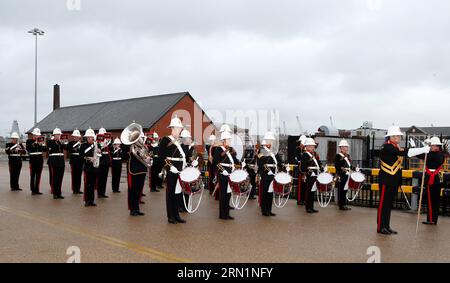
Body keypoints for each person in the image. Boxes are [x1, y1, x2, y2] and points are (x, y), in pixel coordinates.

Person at [377, 126, 429, 235]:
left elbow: (403, 153)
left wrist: (417, 149)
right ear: (389, 137)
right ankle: (380, 227)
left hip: (393, 181)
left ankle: (386, 226)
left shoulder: (395, 147)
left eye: (398, 136)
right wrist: (421, 149)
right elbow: (404, 152)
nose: (397, 137)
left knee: (389, 204)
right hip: (386, 180)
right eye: (395, 136)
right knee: (384, 204)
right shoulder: (387, 147)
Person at [159, 116, 187, 224]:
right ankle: (170, 216)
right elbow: (162, 157)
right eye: (179, 128)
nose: (181, 130)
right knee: (170, 193)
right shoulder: (165, 140)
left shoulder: (180, 141)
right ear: (174, 128)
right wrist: (170, 167)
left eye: (180, 128)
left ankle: (176, 215)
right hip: (171, 171)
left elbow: (184, 156)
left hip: (180, 171)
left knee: (178, 193)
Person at [213, 130, 242, 220]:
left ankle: (227, 213)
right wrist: (222, 170)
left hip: (230, 174)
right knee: (223, 195)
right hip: (223, 175)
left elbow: (234, 160)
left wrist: (241, 163)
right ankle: (222, 214)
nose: (229, 141)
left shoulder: (229, 150)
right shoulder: (219, 149)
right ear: (223, 140)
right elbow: (215, 162)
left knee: (228, 194)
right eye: (228, 139)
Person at [416, 137, 445, 225]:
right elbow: (421, 155)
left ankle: (431, 219)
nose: (430, 147)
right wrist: (419, 149)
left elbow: (423, 156)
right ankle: (432, 219)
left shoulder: (435, 154)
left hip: (433, 178)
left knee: (432, 200)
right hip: (434, 178)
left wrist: (422, 150)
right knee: (433, 200)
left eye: (431, 145)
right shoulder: (436, 153)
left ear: (435, 146)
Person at [257, 132, 286, 217]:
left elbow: (279, 162)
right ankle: (264, 210)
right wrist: (268, 170)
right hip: (266, 175)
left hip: (273, 175)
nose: (271, 142)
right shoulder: (261, 150)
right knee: (265, 193)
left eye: (272, 141)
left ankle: (269, 210)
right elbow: (260, 163)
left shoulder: (273, 151)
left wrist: (284, 166)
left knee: (270, 193)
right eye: (270, 140)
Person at [179, 129, 199, 212]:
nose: (190, 139)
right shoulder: (181, 147)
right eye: (188, 138)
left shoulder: (188, 147)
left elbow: (189, 157)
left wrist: (193, 162)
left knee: (186, 188)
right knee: (181, 189)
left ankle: (185, 206)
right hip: (181, 170)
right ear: (184, 138)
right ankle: (180, 206)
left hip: (186, 169)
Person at [300, 137, 322, 213]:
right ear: (307, 146)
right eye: (311, 146)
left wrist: (322, 169)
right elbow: (303, 167)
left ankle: (311, 207)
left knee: (312, 192)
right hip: (309, 176)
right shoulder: (305, 155)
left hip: (315, 175)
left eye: (313, 146)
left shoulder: (315, 155)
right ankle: (308, 208)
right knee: (309, 192)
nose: (313, 147)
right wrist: (310, 172)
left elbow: (319, 164)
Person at [80, 129, 100, 207]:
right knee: (87, 185)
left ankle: (92, 200)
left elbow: (98, 154)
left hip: (94, 167)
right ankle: (87, 200)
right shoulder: (83, 145)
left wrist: (99, 151)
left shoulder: (96, 145)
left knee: (93, 185)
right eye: (90, 137)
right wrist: (89, 159)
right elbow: (81, 156)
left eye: (92, 137)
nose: (92, 139)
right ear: (87, 138)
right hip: (87, 167)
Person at [46, 128, 67, 199]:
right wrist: (58, 141)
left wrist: (63, 142)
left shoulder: (61, 142)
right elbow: (52, 146)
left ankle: (59, 193)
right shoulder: (50, 141)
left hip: (61, 161)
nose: (58, 136)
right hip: (54, 161)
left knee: (60, 178)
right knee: (55, 178)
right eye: (57, 135)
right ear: (54, 135)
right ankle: (55, 193)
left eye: (59, 134)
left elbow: (66, 148)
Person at [334, 139, 354, 211]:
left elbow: (349, 166)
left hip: (347, 175)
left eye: (346, 147)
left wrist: (354, 168)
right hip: (341, 175)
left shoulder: (347, 156)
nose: (346, 148)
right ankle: (341, 205)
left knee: (345, 190)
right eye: (344, 147)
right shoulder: (338, 156)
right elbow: (337, 166)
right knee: (341, 190)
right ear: (341, 148)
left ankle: (344, 204)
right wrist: (344, 170)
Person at [26, 128, 46, 195]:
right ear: (33, 134)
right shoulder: (29, 141)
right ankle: (33, 190)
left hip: (40, 160)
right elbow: (28, 148)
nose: (37, 136)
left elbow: (45, 150)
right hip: (33, 160)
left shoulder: (40, 142)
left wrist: (43, 145)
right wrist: (35, 143)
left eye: (38, 135)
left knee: (38, 175)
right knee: (32, 175)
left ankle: (37, 189)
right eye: (36, 135)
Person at [67, 129, 83, 194]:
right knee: (74, 175)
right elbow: (69, 150)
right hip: (73, 160)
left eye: (77, 136)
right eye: (75, 136)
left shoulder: (81, 144)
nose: (76, 137)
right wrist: (76, 146)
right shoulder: (70, 143)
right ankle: (74, 189)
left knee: (79, 175)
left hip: (80, 160)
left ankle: (78, 188)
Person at [97, 128, 111, 198]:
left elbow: (110, 150)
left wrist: (107, 143)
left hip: (106, 162)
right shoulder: (97, 142)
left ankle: (103, 193)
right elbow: (97, 150)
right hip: (100, 161)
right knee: (100, 178)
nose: (103, 136)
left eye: (104, 135)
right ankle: (99, 193)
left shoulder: (107, 141)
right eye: (102, 135)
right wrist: (102, 146)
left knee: (105, 178)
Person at [295, 135, 307, 205]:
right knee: (300, 186)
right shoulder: (298, 149)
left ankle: (304, 199)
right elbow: (297, 159)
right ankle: (299, 200)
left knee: (305, 185)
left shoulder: (306, 150)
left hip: (305, 170)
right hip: (300, 170)